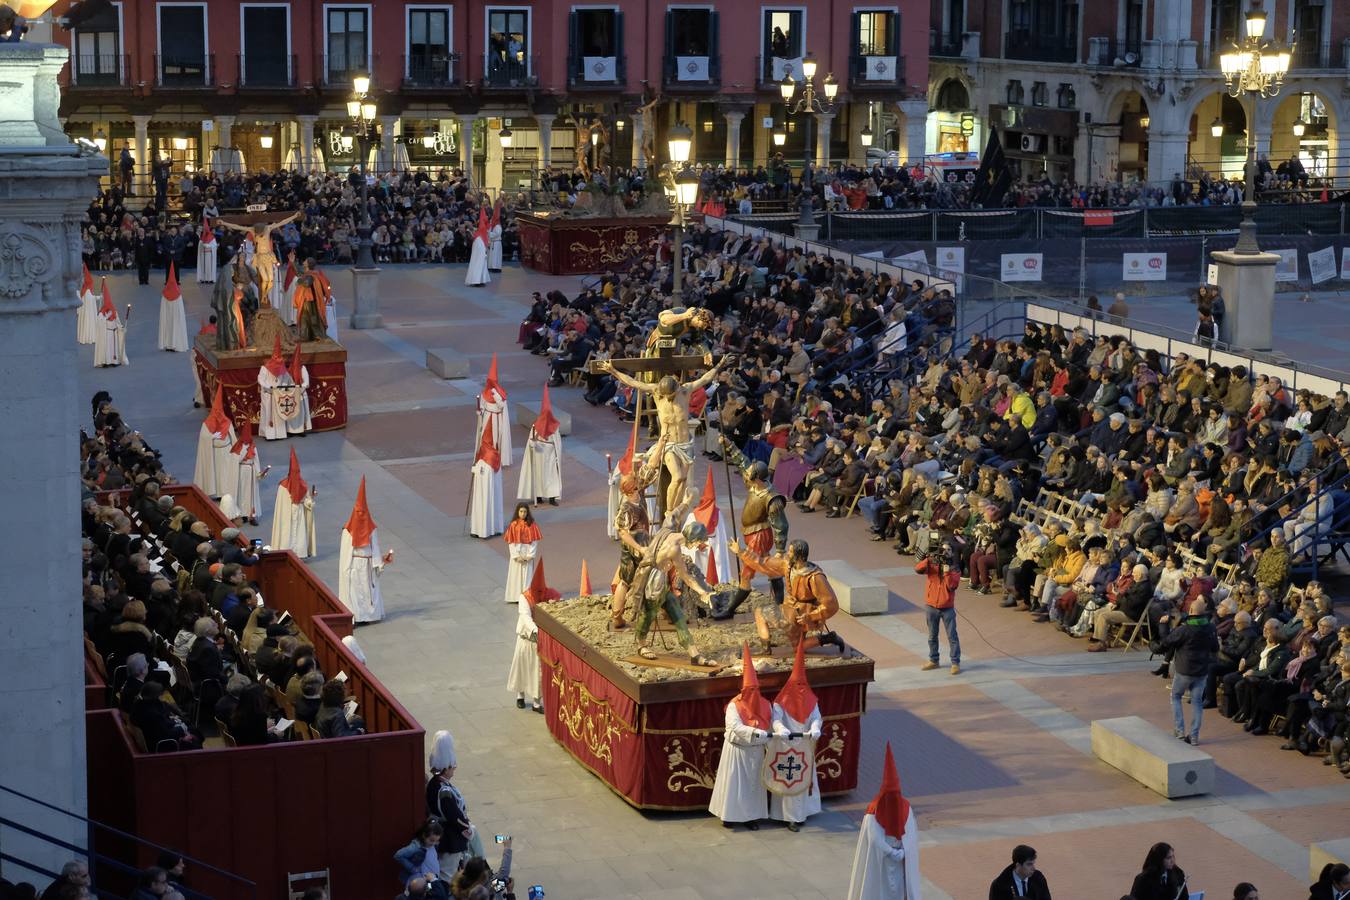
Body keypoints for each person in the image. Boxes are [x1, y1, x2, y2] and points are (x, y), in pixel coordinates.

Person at [600, 355, 732, 513]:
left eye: (671, 396)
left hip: (685, 443)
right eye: (666, 396)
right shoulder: (657, 392)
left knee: (682, 480)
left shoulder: (685, 390)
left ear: (676, 389)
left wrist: (719, 366)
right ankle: (669, 513)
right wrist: (613, 371)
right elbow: (633, 382)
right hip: (668, 443)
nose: (668, 399)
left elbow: (704, 379)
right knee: (676, 477)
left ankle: (675, 511)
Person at [728, 538, 844, 653]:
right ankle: (829, 638)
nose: (788, 554)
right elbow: (764, 563)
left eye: (791, 551)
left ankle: (765, 649)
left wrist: (811, 616)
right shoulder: (788, 565)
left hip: (802, 614)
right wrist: (741, 551)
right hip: (792, 609)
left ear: (799, 556)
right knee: (798, 647)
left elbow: (831, 604)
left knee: (760, 613)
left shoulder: (815, 577)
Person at [715, 439, 788, 618]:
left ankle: (730, 610)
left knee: (747, 571)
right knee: (769, 568)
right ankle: (779, 604)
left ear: (756, 478)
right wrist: (729, 444)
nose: (745, 475)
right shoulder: (754, 485)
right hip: (751, 533)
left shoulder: (772, 498)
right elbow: (743, 462)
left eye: (749, 475)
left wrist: (780, 550)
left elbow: (781, 525)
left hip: (759, 535)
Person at [708, 644, 771, 830]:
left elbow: (771, 722)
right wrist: (754, 731)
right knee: (734, 786)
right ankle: (729, 816)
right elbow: (734, 726)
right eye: (749, 690)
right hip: (737, 751)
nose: (752, 694)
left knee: (753, 787)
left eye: (755, 690)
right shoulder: (734, 706)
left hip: (756, 751)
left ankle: (751, 817)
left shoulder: (766, 705)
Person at [846, 742, 920, 900]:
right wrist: (890, 851)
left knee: (899, 891)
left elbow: (911, 834)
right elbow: (874, 839)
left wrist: (903, 851)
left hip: (899, 859)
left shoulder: (906, 808)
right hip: (881, 861)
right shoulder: (873, 812)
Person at [608, 435, 663, 629]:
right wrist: (639, 548)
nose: (638, 488)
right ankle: (619, 616)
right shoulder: (626, 508)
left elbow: (650, 469)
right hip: (634, 546)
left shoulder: (637, 494)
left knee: (634, 578)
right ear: (629, 490)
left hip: (641, 543)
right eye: (635, 486)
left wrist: (662, 443)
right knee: (630, 579)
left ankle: (626, 614)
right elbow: (623, 532)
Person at [769, 639, 822, 831]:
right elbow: (775, 719)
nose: (800, 688)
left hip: (805, 745)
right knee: (788, 782)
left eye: (803, 684)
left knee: (802, 782)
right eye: (796, 684)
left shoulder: (811, 700)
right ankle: (787, 816)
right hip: (786, 747)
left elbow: (816, 717)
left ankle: (802, 813)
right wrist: (780, 729)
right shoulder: (780, 701)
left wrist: (815, 728)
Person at [1160, 597, 1220, 745]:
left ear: (1191, 611)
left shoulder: (1184, 629)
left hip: (1184, 670)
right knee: (1197, 703)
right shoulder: (1211, 628)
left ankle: (1179, 732)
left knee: (1176, 697)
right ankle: (1193, 736)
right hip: (1201, 671)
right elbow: (1215, 648)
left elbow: (1166, 642)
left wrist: (1163, 626)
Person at [426, 730, 484, 875]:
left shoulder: (435, 783)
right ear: (446, 768)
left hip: (442, 829)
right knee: (448, 874)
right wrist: (467, 827)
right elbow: (454, 817)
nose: (454, 768)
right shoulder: (444, 791)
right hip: (449, 836)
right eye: (452, 766)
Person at [339, 477, 393, 625]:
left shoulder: (372, 529)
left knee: (368, 592)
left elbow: (375, 550)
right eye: (359, 513)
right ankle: (355, 617)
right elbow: (345, 556)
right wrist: (346, 572)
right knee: (354, 594)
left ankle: (367, 617)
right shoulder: (348, 531)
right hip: (355, 566)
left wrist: (381, 562)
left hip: (368, 566)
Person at [507, 559, 556, 711]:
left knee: (537, 672)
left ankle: (536, 702)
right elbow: (525, 616)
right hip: (526, 639)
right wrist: (536, 630)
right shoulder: (525, 598)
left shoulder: (547, 595)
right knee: (521, 668)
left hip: (538, 642)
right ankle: (520, 696)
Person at [917, 544, 962, 675]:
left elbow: (952, 586)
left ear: (952, 553)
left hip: (947, 608)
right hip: (931, 606)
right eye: (943, 549)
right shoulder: (932, 565)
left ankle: (955, 663)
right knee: (932, 636)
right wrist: (928, 559)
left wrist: (946, 571)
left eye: (949, 549)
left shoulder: (955, 568)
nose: (946, 552)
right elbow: (918, 569)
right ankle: (934, 660)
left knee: (952, 636)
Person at [516, 385, 562, 506]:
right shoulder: (535, 427)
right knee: (538, 475)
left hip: (551, 454)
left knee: (551, 475)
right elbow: (531, 443)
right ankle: (539, 496)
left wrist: (557, 454)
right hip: (539, 454)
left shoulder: (555, 427)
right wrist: (534, 442)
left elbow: (557, 443)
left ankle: (552, 497)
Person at [192, 386, 236, 498]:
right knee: (216, 474)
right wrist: (211, 437)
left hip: (226, 451)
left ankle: (226, 492)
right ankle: (217, 493)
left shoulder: (227, 423)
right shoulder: (207, 424)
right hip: (214, 453)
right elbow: (203, 439)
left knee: (225, 473)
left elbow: (233, 439)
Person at [271, 449, 316, 558]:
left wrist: (311, 499)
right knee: (287, 533)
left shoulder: (303, 485)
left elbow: (307, 501)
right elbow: (280, 506)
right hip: (287, 515)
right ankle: (285, 551)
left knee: (299, 533)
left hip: (299, 512)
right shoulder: (283, 486)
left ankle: (299, 554)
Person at [219, 419, 263, 526]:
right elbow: (235, 460)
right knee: (242, 494)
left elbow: (256, 460)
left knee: (251, 495)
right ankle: (242, 514)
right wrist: (244, 454)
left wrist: (259, 472)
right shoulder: (238, 447)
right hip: (241, 472)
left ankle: (251, 515)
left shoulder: (253, 446)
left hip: (251, 472)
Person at [470, 418, 505, 538]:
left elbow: (478, 470)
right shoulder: (496, 456)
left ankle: (479, 529)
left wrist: (474, 468)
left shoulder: (483, 456)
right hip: (490, 486)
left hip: (482, 485)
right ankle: (495, 527)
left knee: (481, 503)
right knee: (493, 501)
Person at [475, 354, 513, 468]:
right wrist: (479, 412)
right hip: (487, 418)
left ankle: (494, 459)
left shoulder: (500, 393)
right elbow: (482, 406)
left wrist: (496, 395)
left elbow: (502, 406)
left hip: (496, 419)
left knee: (496, 440)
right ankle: (485, 457)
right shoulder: (483, 393)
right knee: (486, 438)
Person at [393, 819, 446, 896]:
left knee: (428, 895)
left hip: (429, 879)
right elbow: (398, 855)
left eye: (437, 841)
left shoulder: (432, 845)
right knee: (416, 896)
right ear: (424, 835)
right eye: (432, 840)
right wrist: (412, 868)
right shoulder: (415, 847)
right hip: (418, 881)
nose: (434, 843)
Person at [502, 502, 540, 605]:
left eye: (525, 511)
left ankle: (526, 597)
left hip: (527, 553)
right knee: (516, 575)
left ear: (528, 513)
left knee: (527, 576)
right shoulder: (513, 525)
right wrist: (515, 556)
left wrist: (530, 555)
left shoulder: (532, 525)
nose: (523, 513)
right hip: (517, 554)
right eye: (521, 511)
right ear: (517, 512)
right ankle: (515, 596)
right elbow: (511, 542)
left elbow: (534, 542)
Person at [92, 279, 127, 367]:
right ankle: (106, 361)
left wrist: (122, 328)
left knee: (113, 349)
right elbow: (99, 323)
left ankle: (114, 361)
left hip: (114, 333)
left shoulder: (114, 311)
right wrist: (106, 317)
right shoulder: (101, 313)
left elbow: (118, 322)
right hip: (106, 334)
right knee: (107, 348)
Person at [156, 263, 188, 352]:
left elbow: (162, 310)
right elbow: (180, 311)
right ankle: (175, 344)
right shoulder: (178, 295)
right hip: (175, 317)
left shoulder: (164, 295)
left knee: (167, 327)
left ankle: (168, 344)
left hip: (167, 317)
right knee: (175, 327)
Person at [465, 206, 491, 286]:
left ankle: (480, 279)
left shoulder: (483, 226)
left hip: (480, 242)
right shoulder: (482, 226)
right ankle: (476, 280)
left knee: (482, 262)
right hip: (479, 242)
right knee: (479, 261)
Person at [76, 263, 97, 345]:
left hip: (84, 305)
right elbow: (90, 297)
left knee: (84, 320)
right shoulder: (86, 288)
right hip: (87, 307)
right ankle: (89, 337)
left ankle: (84, 337)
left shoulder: (83, 287)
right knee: (87, 319)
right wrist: (99, 297)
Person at [196, 215, 217, 283]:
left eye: (206, 229)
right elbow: (200, 245)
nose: (205, 230)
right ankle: (203, 278)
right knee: (203, 267)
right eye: (204, 229)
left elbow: (215, 245)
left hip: (209, 255)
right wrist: (202, 244)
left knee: (209, 267)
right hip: (203, 254)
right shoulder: (202, 237)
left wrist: (208, 246)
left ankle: (210, 279)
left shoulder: (212, 237)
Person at [487, 200, 504, 272]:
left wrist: (489, 234)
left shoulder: (497, 226)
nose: (491, 221)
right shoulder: (493, 226)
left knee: (496, 256)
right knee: (492, 256)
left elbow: (497, 234)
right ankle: (492, 267)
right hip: (493, 242)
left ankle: (496, 267)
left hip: (496, 242)